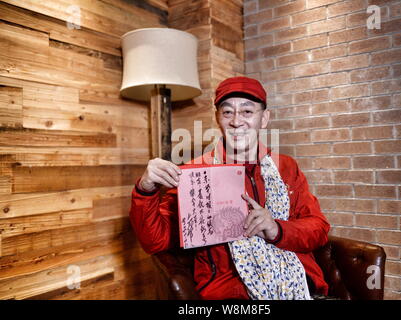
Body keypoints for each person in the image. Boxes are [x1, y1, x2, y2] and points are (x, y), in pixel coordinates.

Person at [129, 76, 330, 300]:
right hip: (231, 291)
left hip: (298, 281)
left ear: (264, 119)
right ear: (218, 118)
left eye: (247, 112)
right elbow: (155, 240)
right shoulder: (195, 172)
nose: (236, 121)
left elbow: (319, 229)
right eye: (227, 112)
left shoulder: (286, 167)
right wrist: (146, 189)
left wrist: (277, 229)